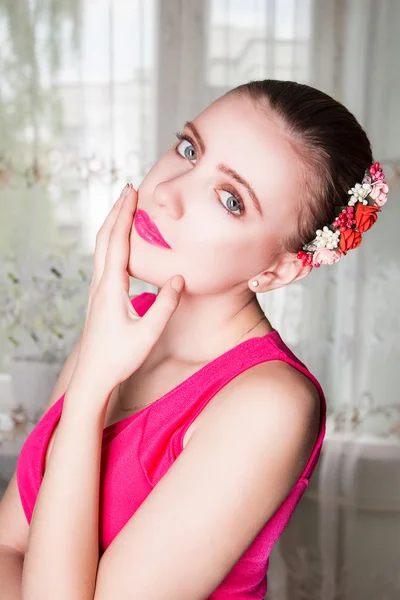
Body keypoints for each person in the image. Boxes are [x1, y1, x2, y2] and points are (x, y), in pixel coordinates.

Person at [0, 79, 389, 599]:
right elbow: (10, 547)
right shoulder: (123, 325)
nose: (166, 192)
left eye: (230, 199)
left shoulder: (271, 404)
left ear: (279, 271)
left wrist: (91, 388)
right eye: (189, 149)